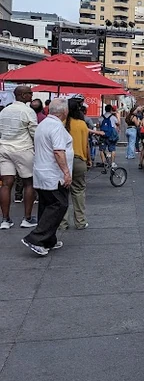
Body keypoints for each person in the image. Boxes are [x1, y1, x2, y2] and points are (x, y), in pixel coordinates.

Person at [21, 98, 73, 256]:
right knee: (59, 204)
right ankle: (36, 238)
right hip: (53, 174)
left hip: (42, 171)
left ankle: (48, 240)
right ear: (64, 112)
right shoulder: (56, 127)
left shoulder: (43, 124)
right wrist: (66, 172)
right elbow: (58, 151)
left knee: (46, 205)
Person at [0, 85, 38, 229]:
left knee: (6, 184)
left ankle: (5, 220)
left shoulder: (4, 111)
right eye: (30, 93)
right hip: (23, 149)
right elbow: (34, 132)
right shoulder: (28, 111)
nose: (32, 96)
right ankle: (27, 218)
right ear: (22, 95)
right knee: (29, 183)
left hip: (4, 148)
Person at [60, 97, 90, 230]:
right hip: (79, 160)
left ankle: (62, 223)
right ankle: (80, 221)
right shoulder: (82, 124)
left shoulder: (60, 124)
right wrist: (88, 160)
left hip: (63, 161)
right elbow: (86, 145)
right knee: (78, 191)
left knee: (62, 192)